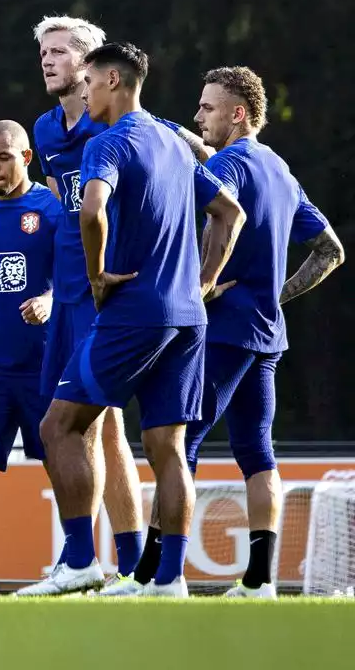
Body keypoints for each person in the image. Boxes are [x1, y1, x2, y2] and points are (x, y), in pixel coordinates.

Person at [17, 42, 245, 598]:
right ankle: (168, 581)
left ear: (113, 80)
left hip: (134, 313)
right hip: (188, 318)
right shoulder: (172, 140)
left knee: (58, 426)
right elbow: (229, 212)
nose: (85, 92)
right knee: (165, 444)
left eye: (91, 82)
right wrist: (205, 282)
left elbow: (91, 209)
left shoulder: (109, 142)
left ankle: (77, 562)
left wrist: (96, 275)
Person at [138, 66, 344, 598]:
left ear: (238, 113)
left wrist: (203, 286)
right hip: (268, 335)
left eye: (207, 107)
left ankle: (157, 573)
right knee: (257, 454)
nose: (198, 115)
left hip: (225, 332)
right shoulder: (280, 168)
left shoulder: (230, 163)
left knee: (176, 444)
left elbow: (219, 215)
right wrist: (276, 296)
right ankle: (259, 581)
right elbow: (331, 251)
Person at [0, 120, 60, 548]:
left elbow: (79, 277)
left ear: (25, 157)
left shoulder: (52, 209)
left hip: (43, 365)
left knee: (61, 464)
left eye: (2, 158)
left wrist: (51, 300)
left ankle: (76, 562)